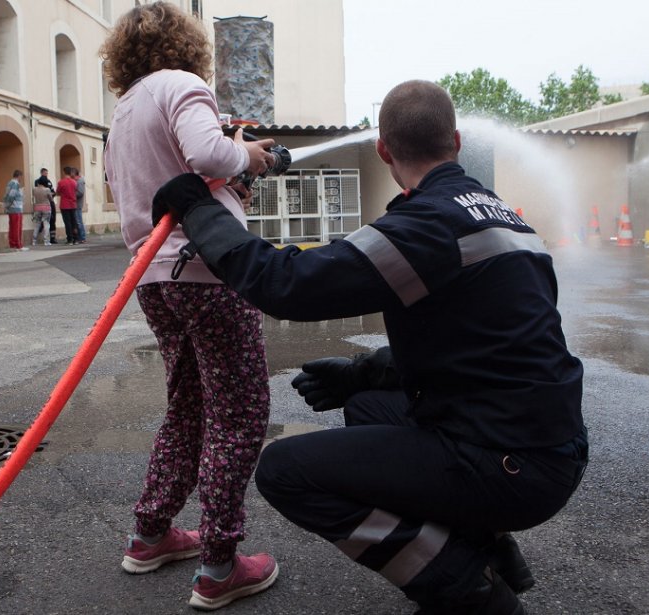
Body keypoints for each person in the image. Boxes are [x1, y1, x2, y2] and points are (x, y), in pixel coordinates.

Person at [150, 80, 588, 614]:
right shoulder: (501, 215)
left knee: (285, 472)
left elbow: (287, 284)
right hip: (550, 443)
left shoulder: (425, 224)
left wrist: (200, 209)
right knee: (366, 408)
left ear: (383, 150)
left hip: (512, 463)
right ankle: (492, 548)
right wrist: (363, 374)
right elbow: (480, 346)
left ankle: (469, 586)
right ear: (454, 141)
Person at [99, 2, 280, 610]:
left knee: (189, 405)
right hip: (208, 268)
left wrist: (228, 171)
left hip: (153, 277)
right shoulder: (183, 85)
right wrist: (249, 157)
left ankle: (151, 533)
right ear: (186, 44)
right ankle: (221, 562)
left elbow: (136, 185)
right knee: (241, 409)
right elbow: (206, 156)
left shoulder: (123, 112)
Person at [3, 169, 27, 251]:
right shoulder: (15, 184)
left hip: (14, 208)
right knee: (16, 228)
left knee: (13, 227)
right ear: (19, 176)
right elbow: (11, 196)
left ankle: (14, 244)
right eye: (21, 177)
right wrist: (8, 205)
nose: (21, 179)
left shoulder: (10, 183)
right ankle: (17, 245)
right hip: (15, 208)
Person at [56, 167, 79, 245]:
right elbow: (76, 191)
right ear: (70, 173)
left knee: (67, 222)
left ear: (64, 172)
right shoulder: (74, 182)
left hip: (64, 204)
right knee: (74, 221)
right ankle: (75, 238)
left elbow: (58, 192)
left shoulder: (61, 182)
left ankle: (69, 239)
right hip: (73, 204)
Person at [35, 167, 58, 244]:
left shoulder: (49, 182)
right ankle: (45, 239)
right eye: (45, 173)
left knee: (52, 219)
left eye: (47, 173)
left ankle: (52, 237)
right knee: (44, 221)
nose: (46, 175)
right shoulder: (37, 182)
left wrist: (52, 194)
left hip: (50, 202)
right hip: (44, 203)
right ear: (41, 173)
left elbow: (53, 191)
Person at [31, 182, 53, 246]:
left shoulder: (34, 189)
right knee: (46, 224)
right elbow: (51, 199)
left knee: (37, 224)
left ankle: (34, 241)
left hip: (37, 207)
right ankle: (46, 241)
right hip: (46, 207)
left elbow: (33, 198)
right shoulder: (47, 189)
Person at [71, 167, 87, 244]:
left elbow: (80, 192)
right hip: (74, 204)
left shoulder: (80, 181)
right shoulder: (76, 181)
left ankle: (82, 237)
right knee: (77, 221)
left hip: (77, 204)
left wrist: (72, 194)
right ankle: (80, 237)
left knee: (78, 221)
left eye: (72, 173)